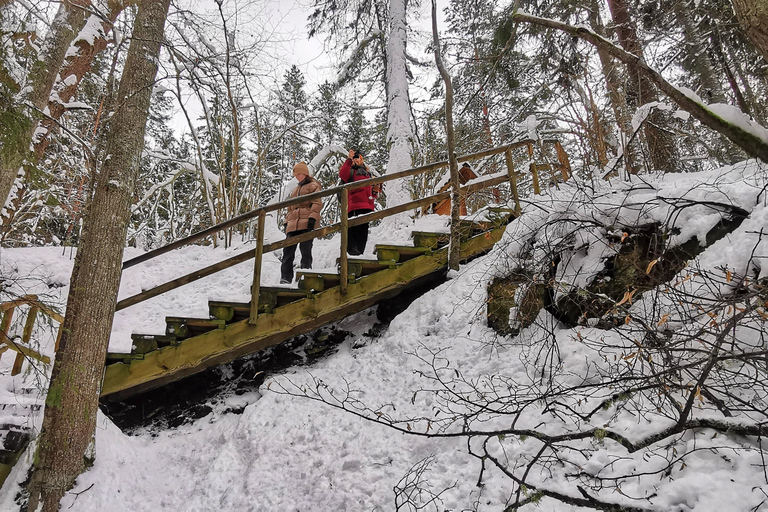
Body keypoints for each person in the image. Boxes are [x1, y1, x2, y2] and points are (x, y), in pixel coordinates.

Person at [280, 161, 322, 284]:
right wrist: (287, 222)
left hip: (306, 222)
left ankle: (305, 274)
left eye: (298, 174)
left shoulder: (313, 186)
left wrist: (312, 218)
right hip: (293, 224)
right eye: (295, 175)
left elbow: (317, 203)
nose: (296, 177)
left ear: (304, 173)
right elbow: (290, 209)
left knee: (305, 250)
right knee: (287, 251)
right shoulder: (295, 190)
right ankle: (285, 278)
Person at [339, 149, 380, 256]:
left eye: (359, 158)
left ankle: (359, 253)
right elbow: (342, 174)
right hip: (354, 205)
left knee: (363, 231)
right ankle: (351, 254)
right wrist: (349, 160)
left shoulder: (367, 174)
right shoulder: (351, 171)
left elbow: (371, 193)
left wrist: (374, 191)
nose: (357, 160)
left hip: (367, 205)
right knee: (352, 230)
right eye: (355, 159)